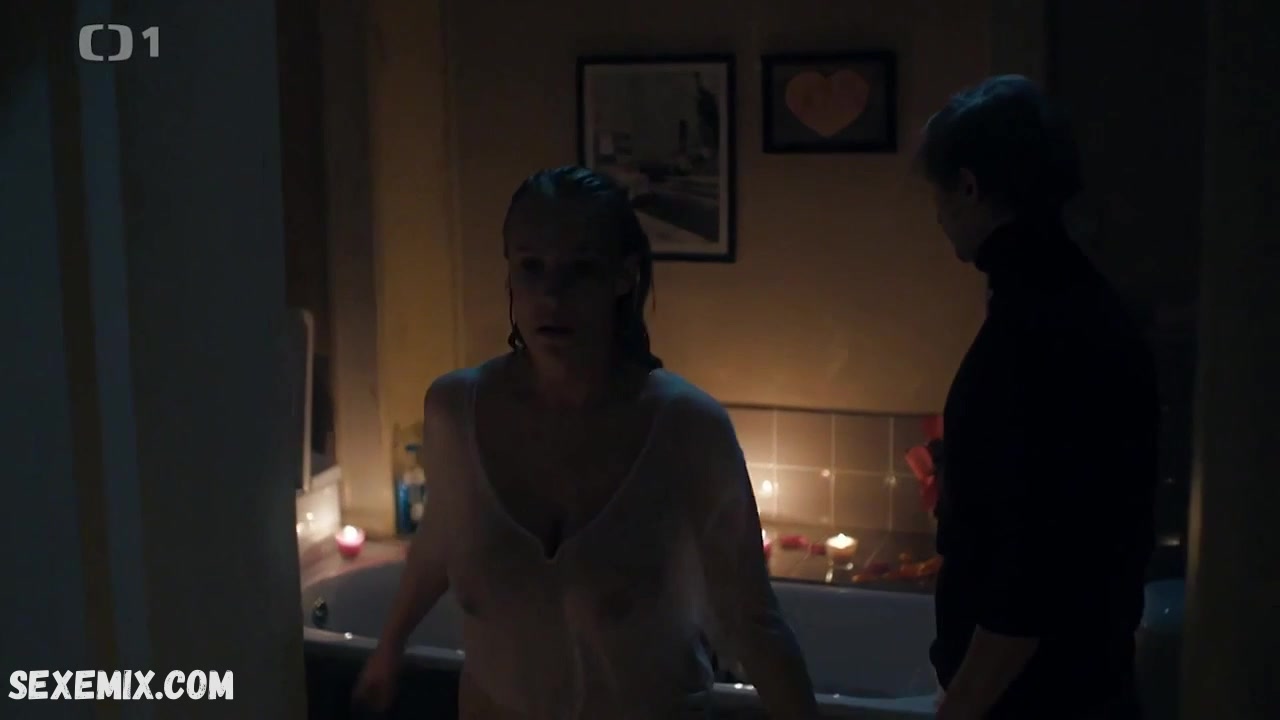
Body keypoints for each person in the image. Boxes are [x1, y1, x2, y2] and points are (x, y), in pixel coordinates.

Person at [352, 165, 818, 719]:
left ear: (623, 277)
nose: (552, 294)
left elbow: (754, 621)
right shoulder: (456, 410)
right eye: (531, 267)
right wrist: (389, 648)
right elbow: (441, 538)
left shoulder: (686, 428)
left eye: (580, 269)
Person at [917, 76, 1159, 719]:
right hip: (1086, 681)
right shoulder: (1082, 303)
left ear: (969, 187)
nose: (937, 216)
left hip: (1037, 700)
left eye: (939, 195)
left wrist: (962, 706)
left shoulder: (1033, 331)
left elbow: (1028, 577)